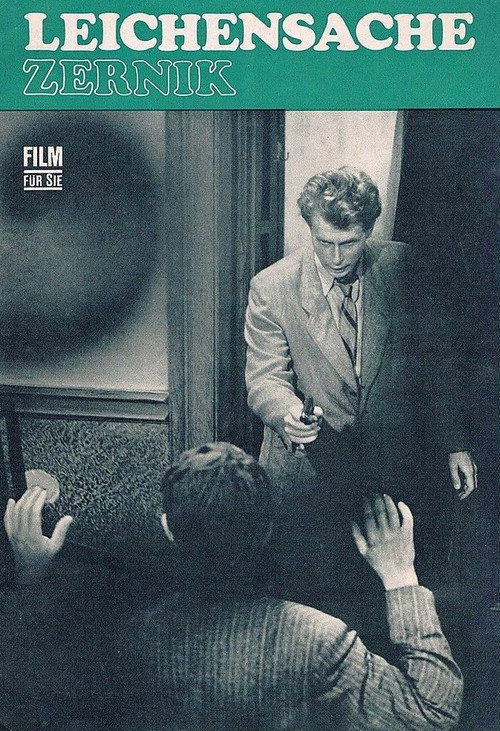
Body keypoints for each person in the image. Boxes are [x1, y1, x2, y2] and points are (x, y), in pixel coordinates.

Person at [3, 444, 463, 730]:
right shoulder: (321, 640)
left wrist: (30, 576)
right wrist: (400, 577)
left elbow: (26, 701)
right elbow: (432, 714)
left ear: (168, 529)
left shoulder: (128, 636)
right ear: (268, 528)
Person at [245, 167, 477, 593]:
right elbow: (265, 377)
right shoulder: (271, 287)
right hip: (310, 477)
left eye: (349, 243)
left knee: (385, 596)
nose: (335, 257)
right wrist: (289, 415)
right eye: (324, 242)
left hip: (390, 473)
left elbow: (434, 366)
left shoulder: (403, 266)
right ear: (310, 229)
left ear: (368, 231)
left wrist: (453, 442)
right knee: (313, 602)